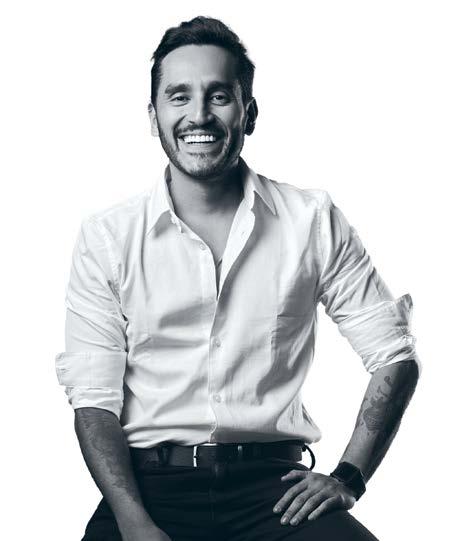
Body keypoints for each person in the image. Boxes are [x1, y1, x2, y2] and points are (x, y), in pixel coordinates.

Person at [55, 16, 420, 541]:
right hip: (148, 490)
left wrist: (349, 476)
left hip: (276, 491)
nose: (198, 114)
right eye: (179, 96)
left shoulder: (311, 221)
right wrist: (134, 522)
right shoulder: (108, 238)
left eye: (219, 96)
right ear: (154, 115)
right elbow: (94, 400)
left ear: (249, 113)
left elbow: (394, 355)